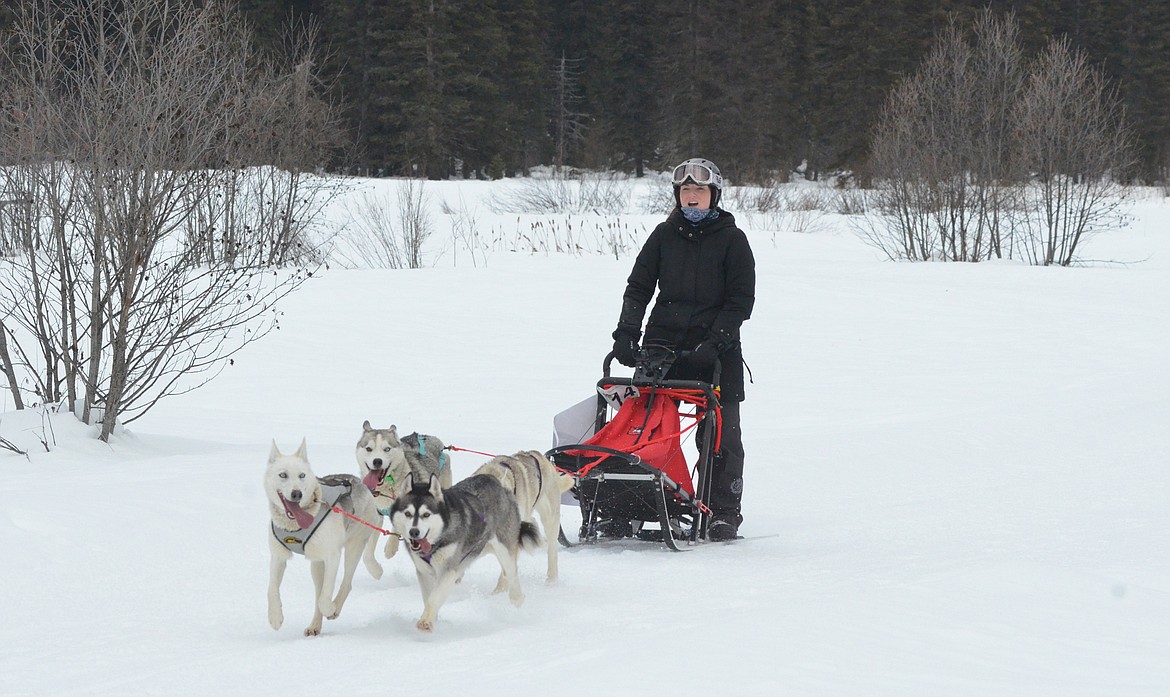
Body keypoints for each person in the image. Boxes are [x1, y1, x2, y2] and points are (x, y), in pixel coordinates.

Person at [610, 157, 756, 541]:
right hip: (663, 344)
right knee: (642, 425)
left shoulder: (733, 239)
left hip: (715, 350)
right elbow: (639, 287)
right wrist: (626, 333)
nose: (692, 198)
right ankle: (631, 502)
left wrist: (715, 342)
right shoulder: (663, 234)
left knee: (722, 433)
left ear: (714, 196)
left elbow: (741, 301)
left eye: (700, 191)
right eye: (686, 191)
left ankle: (722, 511)